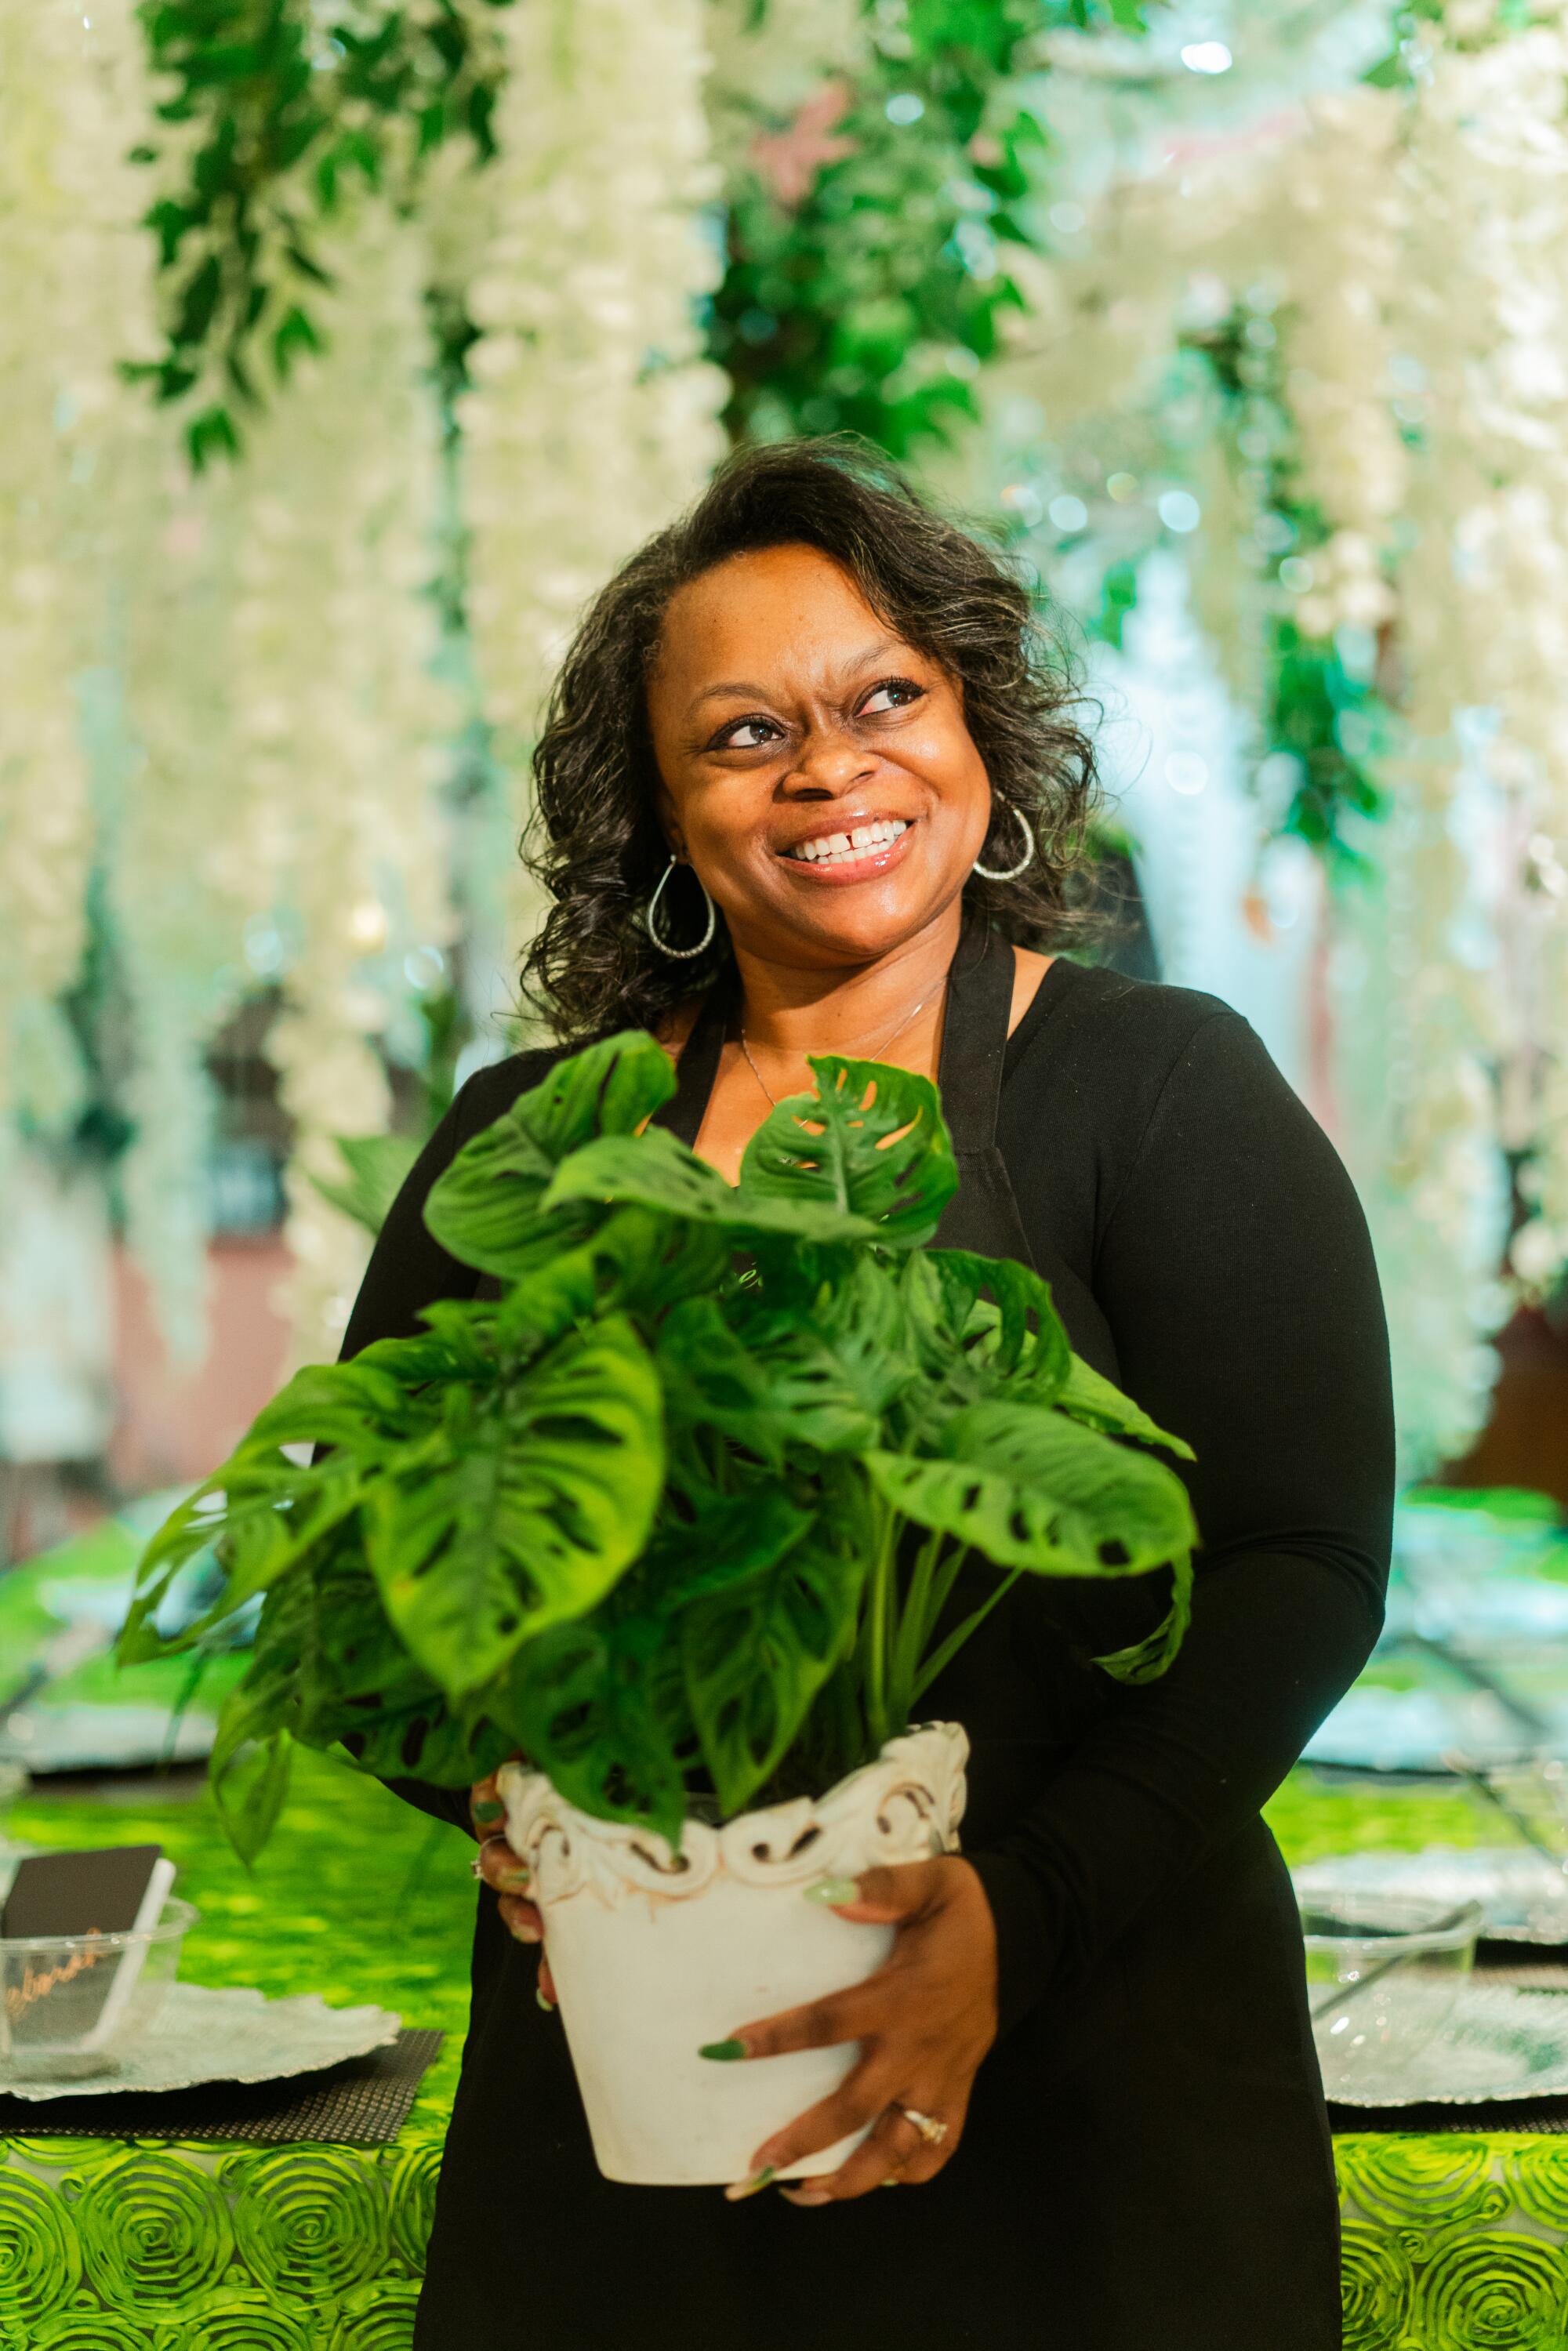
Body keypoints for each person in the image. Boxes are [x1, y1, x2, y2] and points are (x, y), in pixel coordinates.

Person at [343, 438, 1393, 2349]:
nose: (828, 767)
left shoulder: (1160, 1091)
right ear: (662, 812)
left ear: (980, 734)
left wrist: (1021, 1910)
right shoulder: (544, 1141)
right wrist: (513, 1801)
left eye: (884, 697)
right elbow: (362, 1585)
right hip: (637, 2119)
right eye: (744, 734)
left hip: (1096, 2103)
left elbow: (1299, 1562)